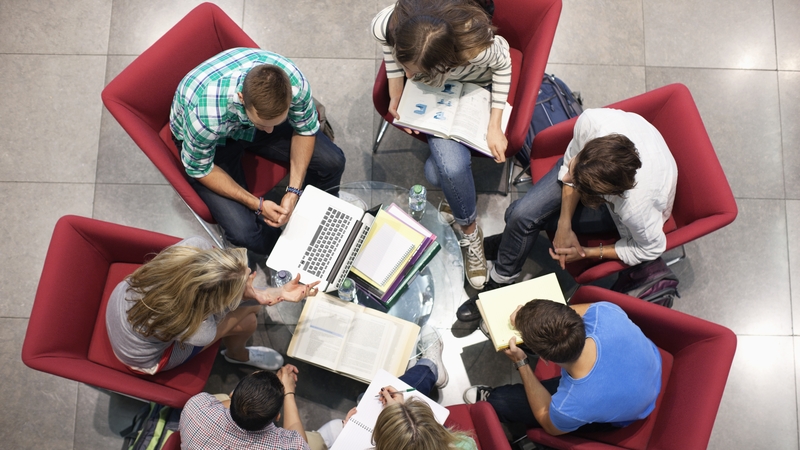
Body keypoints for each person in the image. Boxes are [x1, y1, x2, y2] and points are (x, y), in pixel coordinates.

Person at [457, 108, 678, 321]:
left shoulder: (634, 208)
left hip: (629, 200)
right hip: (607, 171)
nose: (567, 179)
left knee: (523, 220)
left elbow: (651, 248)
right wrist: (564, 225)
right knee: (519, 215)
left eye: (576, 182)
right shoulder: (592, 123)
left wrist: (588, 252)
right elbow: (568, 169)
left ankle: (500, 278)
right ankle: (507, 261)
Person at [371, 0, 512, 289]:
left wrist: (494, 124)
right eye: (406, 67)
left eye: (415, 71)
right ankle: (462, 206)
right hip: (435, 94)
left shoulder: (477, 48)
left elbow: (504, 65)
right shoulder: (388, 24)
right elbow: (388, 44)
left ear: (450, 61)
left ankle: (470, 230)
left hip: (474, 86)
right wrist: (397, 89)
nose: (409, 75)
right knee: (446, 171)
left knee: (445, 171)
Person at [170, 47, 346, 257]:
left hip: (244, 120)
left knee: (333, 161)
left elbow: (305, 129)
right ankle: (288, 251)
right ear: (242, 98)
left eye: (276, 122)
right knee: (244, 233)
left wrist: (293, 191)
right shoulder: (206, 117)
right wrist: (258, 204)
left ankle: (322, 217)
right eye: (263, 124)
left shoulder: (294, 83)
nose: (270, 131)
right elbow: (200, 169)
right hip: (215, 142)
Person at [105, 236, 319, 375]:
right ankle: (237, 355)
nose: (251, 274)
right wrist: (258, 298)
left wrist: (274, 293)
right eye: (247, 282)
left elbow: (222, 293)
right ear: (216, 303)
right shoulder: (199, 330)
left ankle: (238, 349)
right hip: (144, 359)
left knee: (251, 310)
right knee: (249, 317)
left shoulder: (195, 246)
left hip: (122, 304)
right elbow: (220, 315)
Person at [464, 299, 662, 436]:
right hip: (651, 368)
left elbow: (549, 424)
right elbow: (569, 315)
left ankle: (491, 398)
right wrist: (536, 319)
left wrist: (521, 362)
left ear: (544, 358)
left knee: (501, 401)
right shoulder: (605, 312)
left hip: (631, 413)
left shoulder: (571, 404)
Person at [180, 364, 312, 450]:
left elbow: (226, 403)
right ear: (277, 417)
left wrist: (259, 385)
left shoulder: (196, 406)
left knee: (220, 397)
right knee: (316, 440)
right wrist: (288, 394)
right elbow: (301, 444)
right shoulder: (288, 445)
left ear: (232, 395)